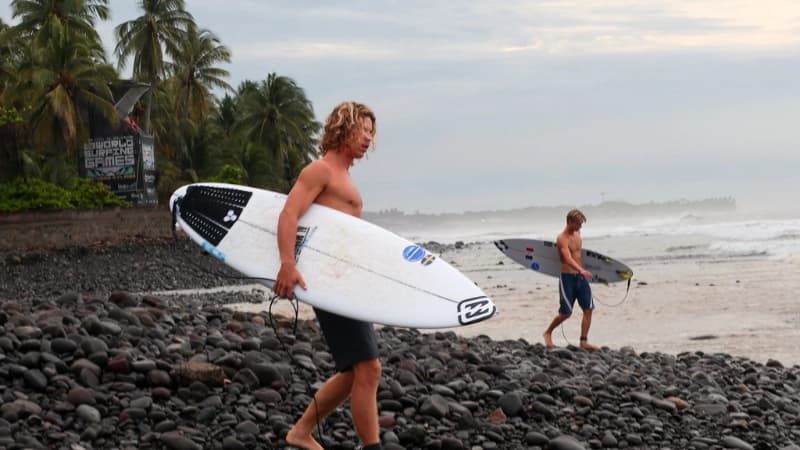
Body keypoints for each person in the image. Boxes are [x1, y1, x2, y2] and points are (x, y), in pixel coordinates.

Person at [273, 101, 382, 450]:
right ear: (343, 128)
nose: (367, 138)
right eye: (362, 130)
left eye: (371, 133)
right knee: (368, 368)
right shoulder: (320, 171)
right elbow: (289, 214)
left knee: (355, 371)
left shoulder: (344, 177)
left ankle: (301, 432)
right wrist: (287, 264)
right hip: (330, 283)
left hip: (346, 280)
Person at [542, 209, 600, 351]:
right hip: (567, 278)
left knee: (588, 309)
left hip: (581, 277)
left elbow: (579, 255)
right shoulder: (562, 238)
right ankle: (548, 332)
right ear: (570, 222)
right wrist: (581, 270)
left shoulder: (577, 234)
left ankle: (583, 341)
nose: (580, 227)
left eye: (581, 224)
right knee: (566, 313)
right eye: (578, 224)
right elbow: (567, 259)